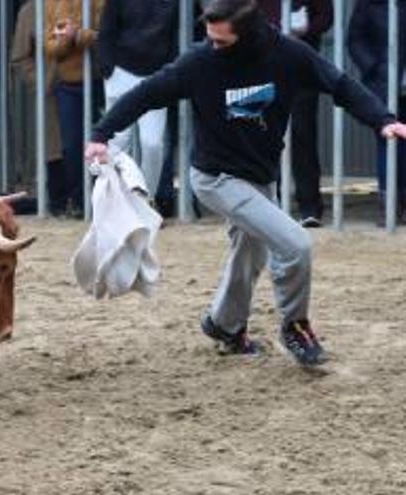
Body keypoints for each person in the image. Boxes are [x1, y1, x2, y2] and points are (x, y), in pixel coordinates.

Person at [85, 0, 406, 366]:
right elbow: (145, 94)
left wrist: (382, 119)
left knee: (249, 255)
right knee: (296, 244)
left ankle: (225, 324)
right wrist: (101, 133)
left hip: (259, 177)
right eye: (209, 38)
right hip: (215, 177)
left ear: (250, 34)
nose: (213, 47)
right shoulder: (199, 62)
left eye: (222, 41)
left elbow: (340, 84)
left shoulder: (288, 55)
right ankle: (295, 326)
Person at [258, 0, 332, 227]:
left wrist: (306, 28)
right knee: (264, 132)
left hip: (301, 65)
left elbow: (326, 16)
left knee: (302, 134)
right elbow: (242, 14)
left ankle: (309, 206)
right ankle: (271, 202)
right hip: (264, 64)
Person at [96, 0, 179, 200]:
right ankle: (113, 199)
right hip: (122, 71)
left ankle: (143, 199)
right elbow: (107, 30)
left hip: (156, 75)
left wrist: (170, 71)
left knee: (153, 144)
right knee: (117, 141)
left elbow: (176, 34)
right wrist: (109, 69)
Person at [348, 0, 406, 225]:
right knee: (388, 141)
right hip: (383, 85)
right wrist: (374, 67)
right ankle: (390, 204)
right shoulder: (368, 4)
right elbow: (354, 39)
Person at [45, 0, 104, 217]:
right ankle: (80, 201)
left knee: (103, 143)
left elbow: (104, 35)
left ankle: (104, 199)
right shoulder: (52, 3)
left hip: (100, 80)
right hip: (68, 84)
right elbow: (49, 47)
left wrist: (76, 34)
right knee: (72, 146)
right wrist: (68, 40)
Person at [11, 0, 64, 203]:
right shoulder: (31, 10)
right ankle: (59, 200)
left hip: (87, 85)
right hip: (52, 93)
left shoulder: (86, 4)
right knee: (54, 147)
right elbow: (19, 57)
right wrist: (41, 81)